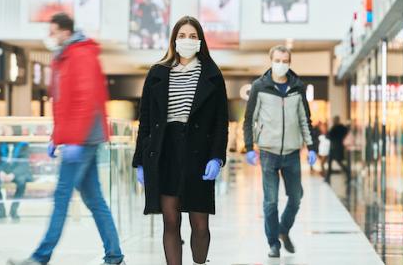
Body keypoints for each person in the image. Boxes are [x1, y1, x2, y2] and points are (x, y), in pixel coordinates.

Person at [8, 13, 125, 265]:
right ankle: (115, 256)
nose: (50, 37)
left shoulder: (80, 54)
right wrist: (56, 137)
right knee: (94, 199)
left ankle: (40, 257)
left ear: (64, 31)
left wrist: (73, 140)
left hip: (83, 140)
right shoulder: (63, 56)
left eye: (52, 31)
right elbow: (62, 102)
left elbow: (85, 100)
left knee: (62, 196)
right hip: (78, 138)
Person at [132, 16, 228, 265]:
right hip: (165, 152)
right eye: (182, 35)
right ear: (174, 39)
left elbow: (220, 121)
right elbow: (145, 120)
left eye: (193, 36)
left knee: (200, 222)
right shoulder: (157, 72)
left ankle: (199, 262)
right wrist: (140, 161)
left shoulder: (212, 74)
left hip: (198, 152)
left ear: (200, 41)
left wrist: (217, 156)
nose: (187, 40)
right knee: (170, 220)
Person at [243, 45, 317, 258]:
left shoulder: (297, 87)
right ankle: (273, 243)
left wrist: (311, 147)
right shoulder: (260, 86)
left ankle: (283, 229)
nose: (281, 64)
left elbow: (305, 119)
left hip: (292, 153)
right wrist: (249, 147)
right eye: (278, 60)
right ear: (271, 60)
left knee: (296, 197)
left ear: (289, 62)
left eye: (285, 61)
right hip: (268, 152)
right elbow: (250, 120)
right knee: (271, 201)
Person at [0, 125, 32, 222]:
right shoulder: (0, 143)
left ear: (14, 132)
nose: (4, 132)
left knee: (22, 182)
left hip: (17, 171)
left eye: (7, 130)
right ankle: (1, 211)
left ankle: (14, 210)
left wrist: (13, 174)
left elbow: (24, 163)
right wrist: (0, 172)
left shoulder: (23, 144)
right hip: (3, 171)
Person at [326, 116, 350, 183]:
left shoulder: (335, 128)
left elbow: (328, 135)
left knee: (337, 162)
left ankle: (348, 174)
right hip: (338, 147)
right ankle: (327, 177)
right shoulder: (341, 128)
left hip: (335, 147)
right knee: (332, 162)